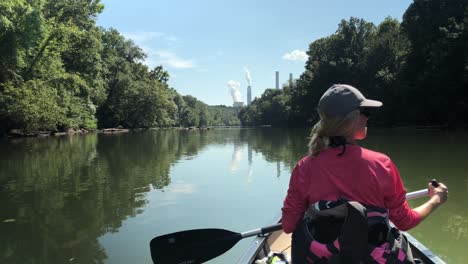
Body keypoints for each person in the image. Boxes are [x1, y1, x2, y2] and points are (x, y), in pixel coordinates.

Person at [281, 84, 448, 262]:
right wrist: (436, 199)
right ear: (353, 118)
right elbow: (404, 222)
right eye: (366, 112)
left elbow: (288, 225)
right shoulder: (381, 164)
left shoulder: (304, 167)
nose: (368, 119)